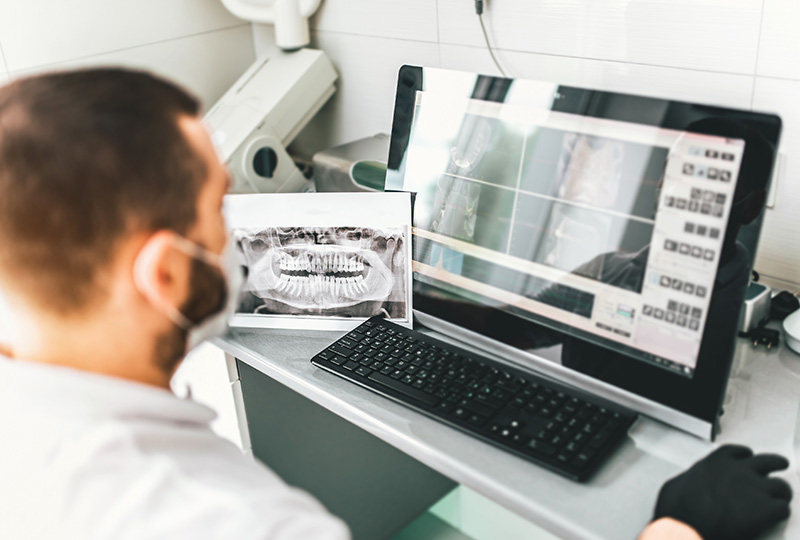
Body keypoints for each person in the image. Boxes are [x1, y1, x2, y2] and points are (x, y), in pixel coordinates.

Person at [0, 68, 790, 540]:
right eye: (219, 203)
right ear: (167, 276)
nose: (238, 221)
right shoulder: (224, 520)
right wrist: (677, 529)